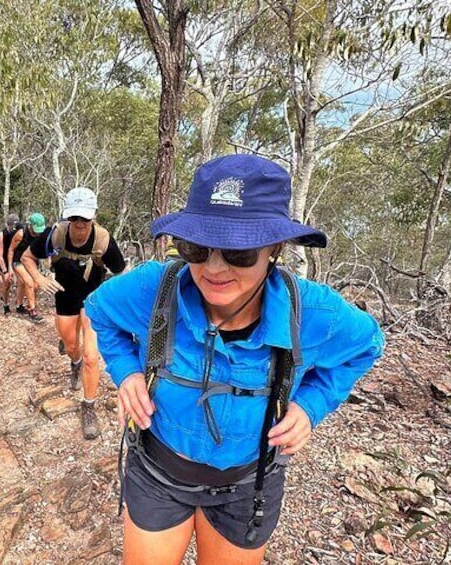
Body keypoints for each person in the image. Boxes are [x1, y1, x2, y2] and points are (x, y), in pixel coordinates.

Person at [85, 155, 384, 564]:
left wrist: (310, 406)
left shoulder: (315, 314)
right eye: (196, 247)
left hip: (248, 486)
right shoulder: (155, 288)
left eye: (239, 252)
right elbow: (99, 311)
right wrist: (127, 373)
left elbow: (367, 347)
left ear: (275, 248)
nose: (213, 267)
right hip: (158, 472)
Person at [22, 187, 126, 440]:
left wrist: (113, 300)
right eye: (75, 218)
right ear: (68, 217)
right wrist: (38, 279)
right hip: (65, 296)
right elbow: (27, 257)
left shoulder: (103, 239)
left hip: (93, 299)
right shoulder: (55, 234)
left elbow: (121, 271)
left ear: (93, 216)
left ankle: (88, 405)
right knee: (71, 345)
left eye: (85, 219)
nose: (80, 224)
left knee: (92, 356)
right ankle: (74, 361)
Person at [8, 213, 46, 322]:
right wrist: (10, 268)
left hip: (30, 262)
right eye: (35, 230)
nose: (37, 233)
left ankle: (19, 306)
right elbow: (11, 250)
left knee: (31, 285)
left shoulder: (40, 235)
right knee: (29, 283)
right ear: (29, 225)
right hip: (18, 261)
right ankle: (32, 310)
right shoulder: (20, 234)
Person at [0, 214, 23, 315]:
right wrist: (5, 270)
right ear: (8, 225)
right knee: (7, 283)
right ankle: (6, 304)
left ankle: (19, 305)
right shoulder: (2, 235)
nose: (13, 227)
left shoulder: (19, 232)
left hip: (15, 259)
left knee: (22, 281)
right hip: (3, 260)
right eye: (11, 225)